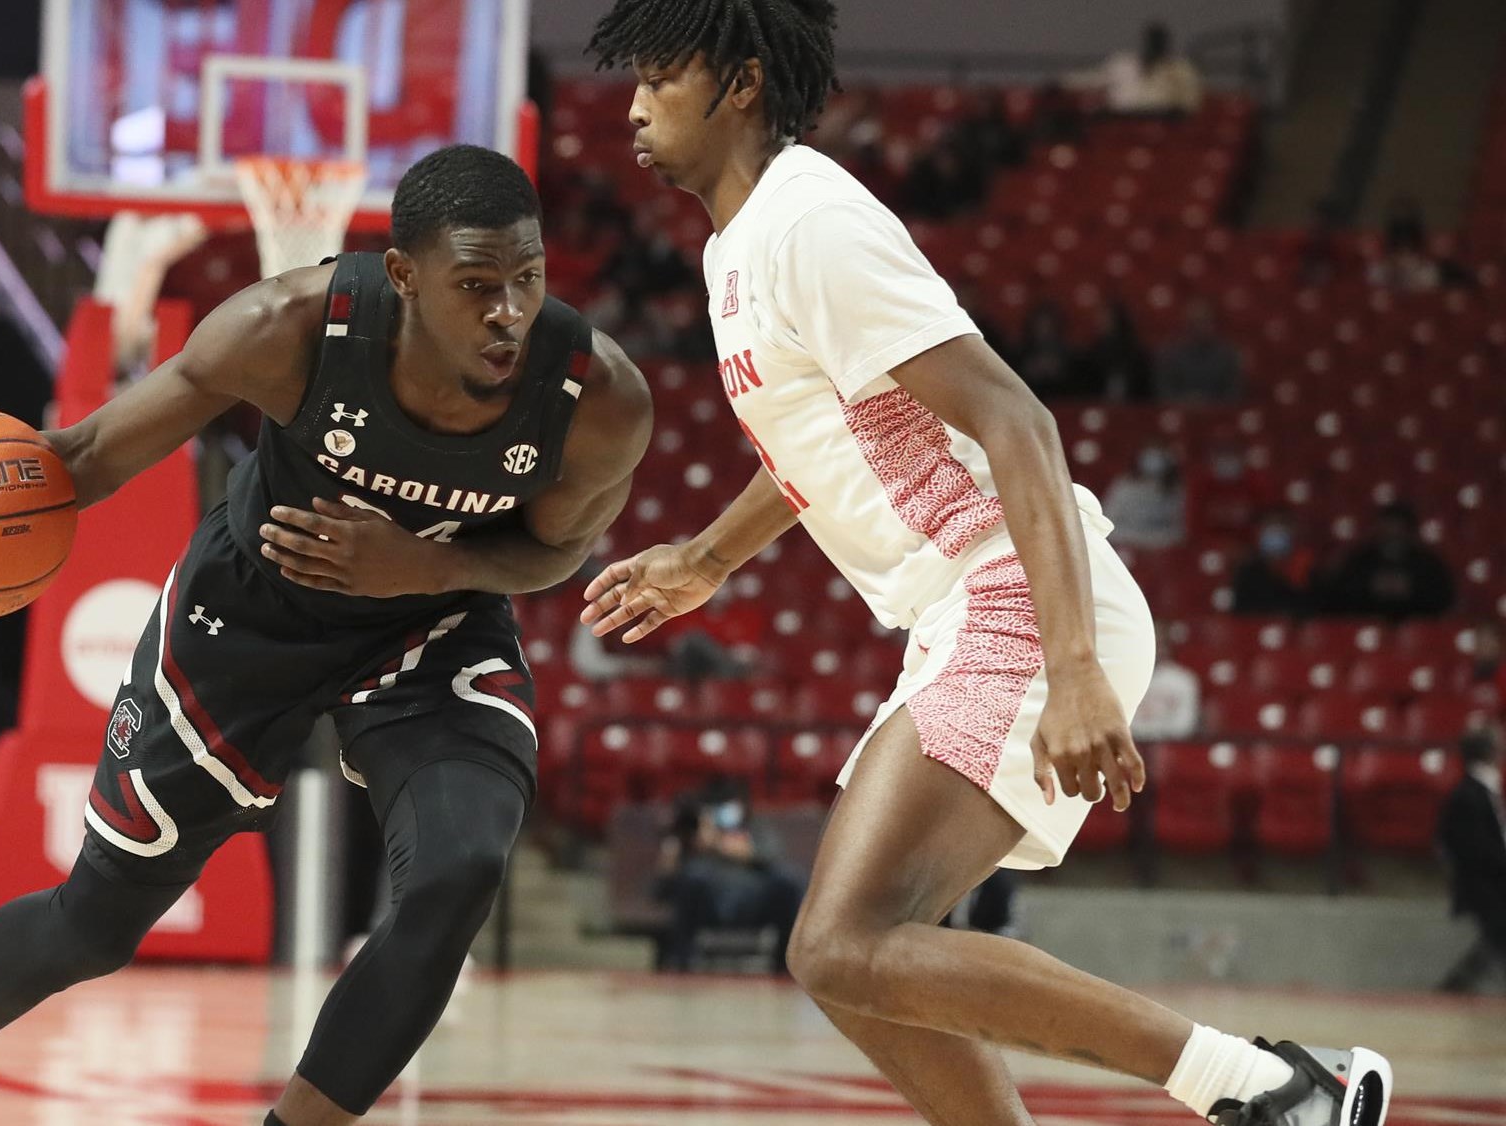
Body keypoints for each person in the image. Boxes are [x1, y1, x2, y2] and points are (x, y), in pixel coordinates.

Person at [584, 4, 1391, 1124]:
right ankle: (1268, 1087)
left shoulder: (809, 223)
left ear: (739, 84)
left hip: (1013, 589)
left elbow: (1017, 420)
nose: (631, 104)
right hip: (962, 606)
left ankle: (1271, 1086)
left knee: (839, 940)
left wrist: (1068, 670)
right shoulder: (740, 244)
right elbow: (824, 439)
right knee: (861, 963)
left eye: (660, 76)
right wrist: (706, 557)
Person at [0, 144, 654, 1126]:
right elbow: (80, 457)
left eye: (526, 278)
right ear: (401, 276)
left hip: (434, 622)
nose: (508, 311)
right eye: (475, 285)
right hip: (246, 618)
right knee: (95, 923)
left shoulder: (595, 399)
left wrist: (422, 566)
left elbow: (550, 555)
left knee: (457, 869)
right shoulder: (286, 328)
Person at [654, 784, 805, 974]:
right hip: (711, 903)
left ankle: (784, 967)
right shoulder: (691, 838)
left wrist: (734, 849)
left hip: (754, 901)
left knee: (789, 881)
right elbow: (663, 886)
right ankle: (682, 964)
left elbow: (772, 857)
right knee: (693, 877)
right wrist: (694, 847)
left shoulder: (756, 828)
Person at [1436, 725, 1506, 993]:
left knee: (1497, 937)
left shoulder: (1484, 791)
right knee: (1500, 932)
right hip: (1483, 886)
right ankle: (1455, 985)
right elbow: (1477, 851)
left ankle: (1457, 984)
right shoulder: (1468, 795)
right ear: (1489, 753)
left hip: (1492, 882)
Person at [1326, 502, 1455, 620]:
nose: (1392, 533)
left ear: (1408, 531)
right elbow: (1340, 598)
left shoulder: (1427, 563)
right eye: (1388, 526)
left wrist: (1409, 589)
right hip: (1366, 627)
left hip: (1417, 632)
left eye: (1398, 527)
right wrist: (1371, 587)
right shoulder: (1360, 560)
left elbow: (1442, 600)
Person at [1075, 21, 1204, 116]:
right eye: (1151, 39)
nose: (1154, 44)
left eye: (1158, 40)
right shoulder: (1123, 63)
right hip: (1120, 118)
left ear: (1165, 43)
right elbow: (1094, 80)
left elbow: (1190, 104)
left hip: (1163, 120)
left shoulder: (1181, 69)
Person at [1231, 510, 1319, 617]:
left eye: (1280, 527)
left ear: (1291, 532)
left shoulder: (1305, 568)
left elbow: (1312, 611)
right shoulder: (1247, 571)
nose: (1275, 533)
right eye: (1270, 527)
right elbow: (1240, 613)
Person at [1154, 299, 1244, 404]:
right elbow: (1163, 393)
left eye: (1204, 322)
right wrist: (1187, 402)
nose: (1199, 327)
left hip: (1219, 415)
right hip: (1180, 413)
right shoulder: (1169, 355)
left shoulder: (1227, 355)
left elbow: (1233, 395)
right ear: (1186, 324)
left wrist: (1207, 404)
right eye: (1194, 323)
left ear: (1213, 324)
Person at [1103, 443, 1187, 549]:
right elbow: (1106, 526)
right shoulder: (1124, 487)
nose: (1153, 461)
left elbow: (1177, 532)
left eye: (1158, 455)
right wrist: (1134, 540)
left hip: (1159, 551)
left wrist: (1151, 542)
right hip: (1124, 548)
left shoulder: (1175, 491)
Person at [1132, 629, 1201, 741]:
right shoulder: (1125, 676)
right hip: (1133, 743)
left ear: (1166, 647)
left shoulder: (1183, 680)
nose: (1154, 649)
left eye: (1159, 644)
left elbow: (1185, 724)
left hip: (1172, 745)